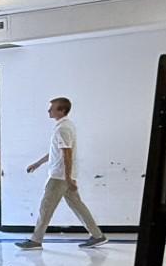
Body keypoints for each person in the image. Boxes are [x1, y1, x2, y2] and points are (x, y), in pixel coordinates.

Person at [16, 96, 106, 249]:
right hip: (63, 175)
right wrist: (38, 164)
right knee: (77, 205)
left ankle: (36, 240)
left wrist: (68, 178)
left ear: (62, 110)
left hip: (59, 176)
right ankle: (97, 235)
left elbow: (67, 154)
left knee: (46, 207)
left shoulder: (63, 128)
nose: (49, 110)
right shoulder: (65, 126)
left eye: (52, 108)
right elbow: (56, 152)